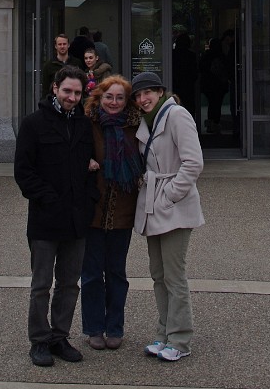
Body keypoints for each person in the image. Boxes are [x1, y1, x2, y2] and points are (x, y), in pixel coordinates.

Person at [14, 64, 99, 367]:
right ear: (54, 88)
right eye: (67, 91)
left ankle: (59, 336)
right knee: (41, 285)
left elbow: (91, 167)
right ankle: (39, 340)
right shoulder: (33, 124)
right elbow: (24, 172)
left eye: (77, 92)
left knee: (69, 283)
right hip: (45, 219)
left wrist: (89, 200)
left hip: (76, 220)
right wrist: (49, 199)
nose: (72, 97)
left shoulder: (84, 125)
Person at [131, 71, 204, 362]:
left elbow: (193, 162)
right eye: (138, 95)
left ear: (160, 92)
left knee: (174, 276)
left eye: (148, 92)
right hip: (154, 204)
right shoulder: (146, 121)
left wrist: (171, 194)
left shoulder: (177, 115)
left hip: (174, 205)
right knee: (158, 275)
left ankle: (180, 339)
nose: (143, 99)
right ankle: (163, 334)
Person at [80, 75, 143, 350]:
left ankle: (115, 327)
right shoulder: (88, 123)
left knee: (116, 273)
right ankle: (94, 327)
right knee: (92, 273)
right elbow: (72, 151)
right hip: (93, 210)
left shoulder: (136, 126)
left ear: (127, 101)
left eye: (119, 98)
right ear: (99, 97)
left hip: (123, 209)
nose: (114, 102)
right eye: (109, 97)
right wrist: (84, 160)